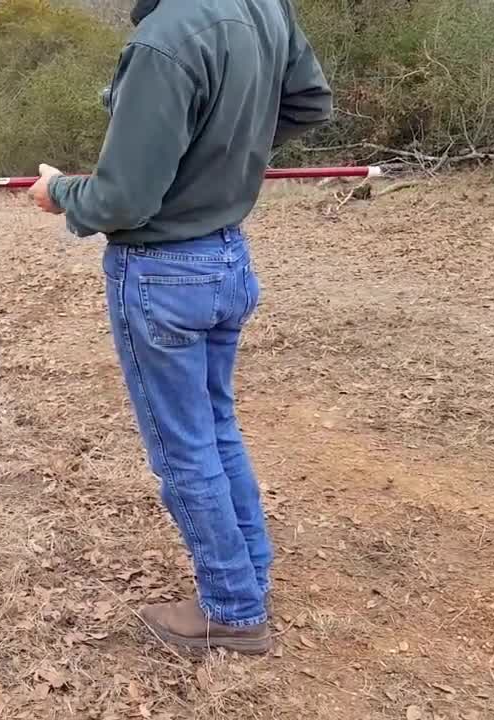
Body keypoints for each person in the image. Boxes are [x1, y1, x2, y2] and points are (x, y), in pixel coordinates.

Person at [27, 0, 332, 654]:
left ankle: (231, 609)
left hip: (164, 273)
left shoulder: (163, 42)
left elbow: (122, 199)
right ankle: (248, 579)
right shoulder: (263, 7)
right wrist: (224, 153)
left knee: (185, 448)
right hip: (227, 259)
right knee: (214, 427)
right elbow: (309, 102)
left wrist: (59, 194)